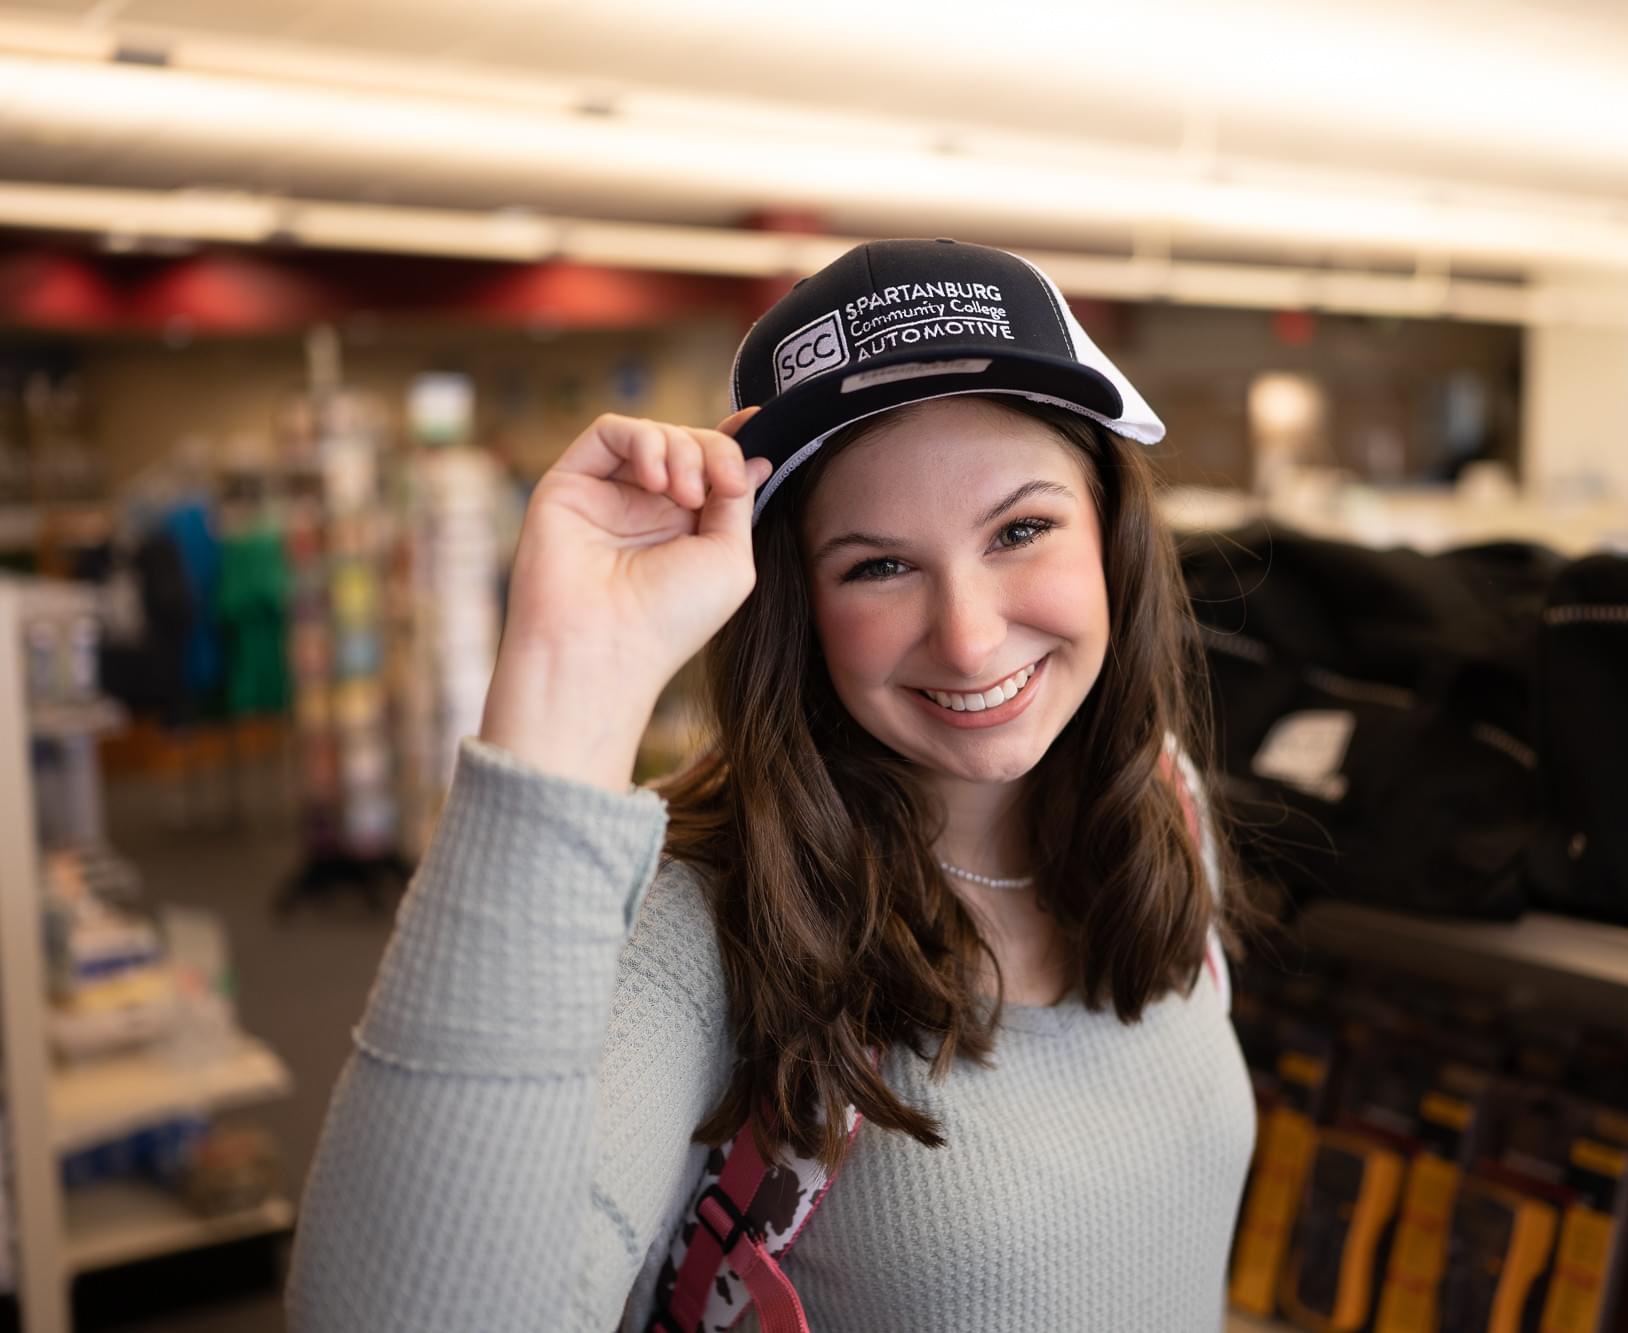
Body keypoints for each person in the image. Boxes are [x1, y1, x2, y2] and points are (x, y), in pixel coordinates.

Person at [287, 239, 1260, 1332]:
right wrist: (571, 681)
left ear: (1111, 538)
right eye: (877, 564)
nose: (970, 635)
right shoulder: (703, 920)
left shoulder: (1152, 801)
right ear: (797, 601)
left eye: (1020, 530)